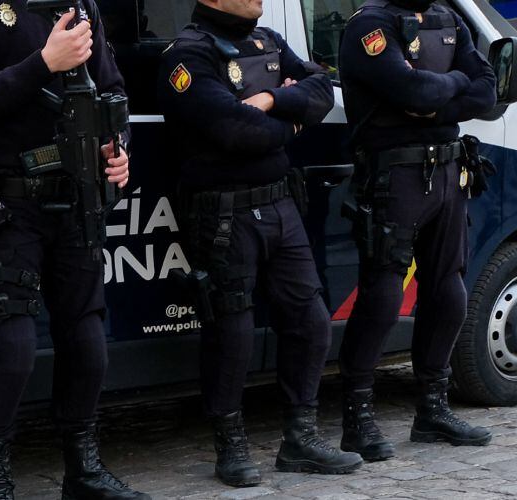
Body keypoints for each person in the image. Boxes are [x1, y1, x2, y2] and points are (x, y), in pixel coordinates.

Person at [0, 2, 148, 499]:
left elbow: (113, 91)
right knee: (13, 350)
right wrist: (44, 62)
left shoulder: (80, 4)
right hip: (11, 202)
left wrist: (117, 149)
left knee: (89, 345)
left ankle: (83, 471)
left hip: (78, 200)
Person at [157, 0, 363, 488]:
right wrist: (289, 119)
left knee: (310, 320)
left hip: (279, 205)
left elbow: (318, 91)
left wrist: (272, 103)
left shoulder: (268, 40)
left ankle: (301, 440)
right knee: (232, 333)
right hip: (222, 212)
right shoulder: (186, 56)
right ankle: (230, 448)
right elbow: (232, 130)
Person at [336, 0, 497, 458]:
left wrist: (437, 97)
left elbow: (487, 93)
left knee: (449, 292)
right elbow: (414, 92)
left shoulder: (449, 20)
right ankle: (357, 419)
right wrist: (450, 86)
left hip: (448, 172)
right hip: (395, 177)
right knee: (382, 297)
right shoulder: (369, 26)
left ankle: (432, 410)